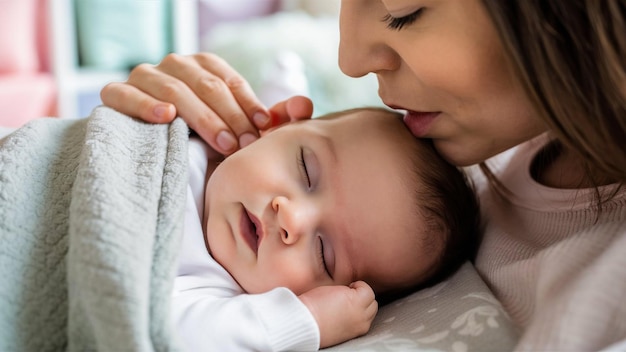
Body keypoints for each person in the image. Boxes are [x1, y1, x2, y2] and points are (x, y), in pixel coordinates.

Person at [101, 0, 626, 350]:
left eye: (404, 12)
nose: (349, 60)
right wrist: (156, 119)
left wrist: (300, 323)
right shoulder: (431, 140)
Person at [175, 106, 479, 351]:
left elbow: (174, 338)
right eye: (306, 170)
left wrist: (309, 319)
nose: (292, 219)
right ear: (277, 126)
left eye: (323, 253)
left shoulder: (208, 297)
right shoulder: (197, 125)